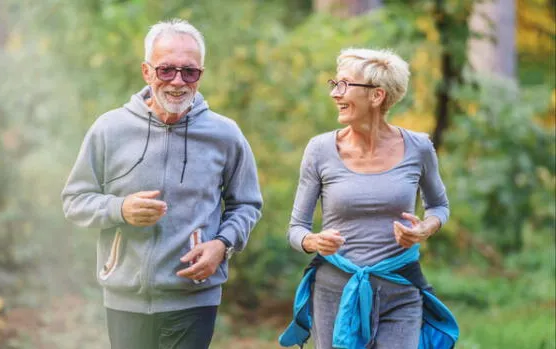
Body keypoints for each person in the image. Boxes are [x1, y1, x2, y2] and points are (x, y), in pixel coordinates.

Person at [61, 19, 262, 349]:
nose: (178, 82)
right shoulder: (110, 129)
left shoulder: (225, 134)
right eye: (166, 70)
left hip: (195, 296)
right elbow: (74, 200)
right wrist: (120, 208)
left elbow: (247, 204)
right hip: (124, 296)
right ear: (146, 71)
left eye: (190, 72)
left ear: (201, 74)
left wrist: (222, 245)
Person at [278, 48, 459, 349]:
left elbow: (439, 206)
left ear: (377, 96)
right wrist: (314, 241)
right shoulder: (319, 149)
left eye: (345, 84)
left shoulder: (419, 147)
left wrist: (425, 229)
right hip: (334, 293)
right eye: (334, 84)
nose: (335, 93)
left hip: (400, 291)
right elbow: (296, 228)